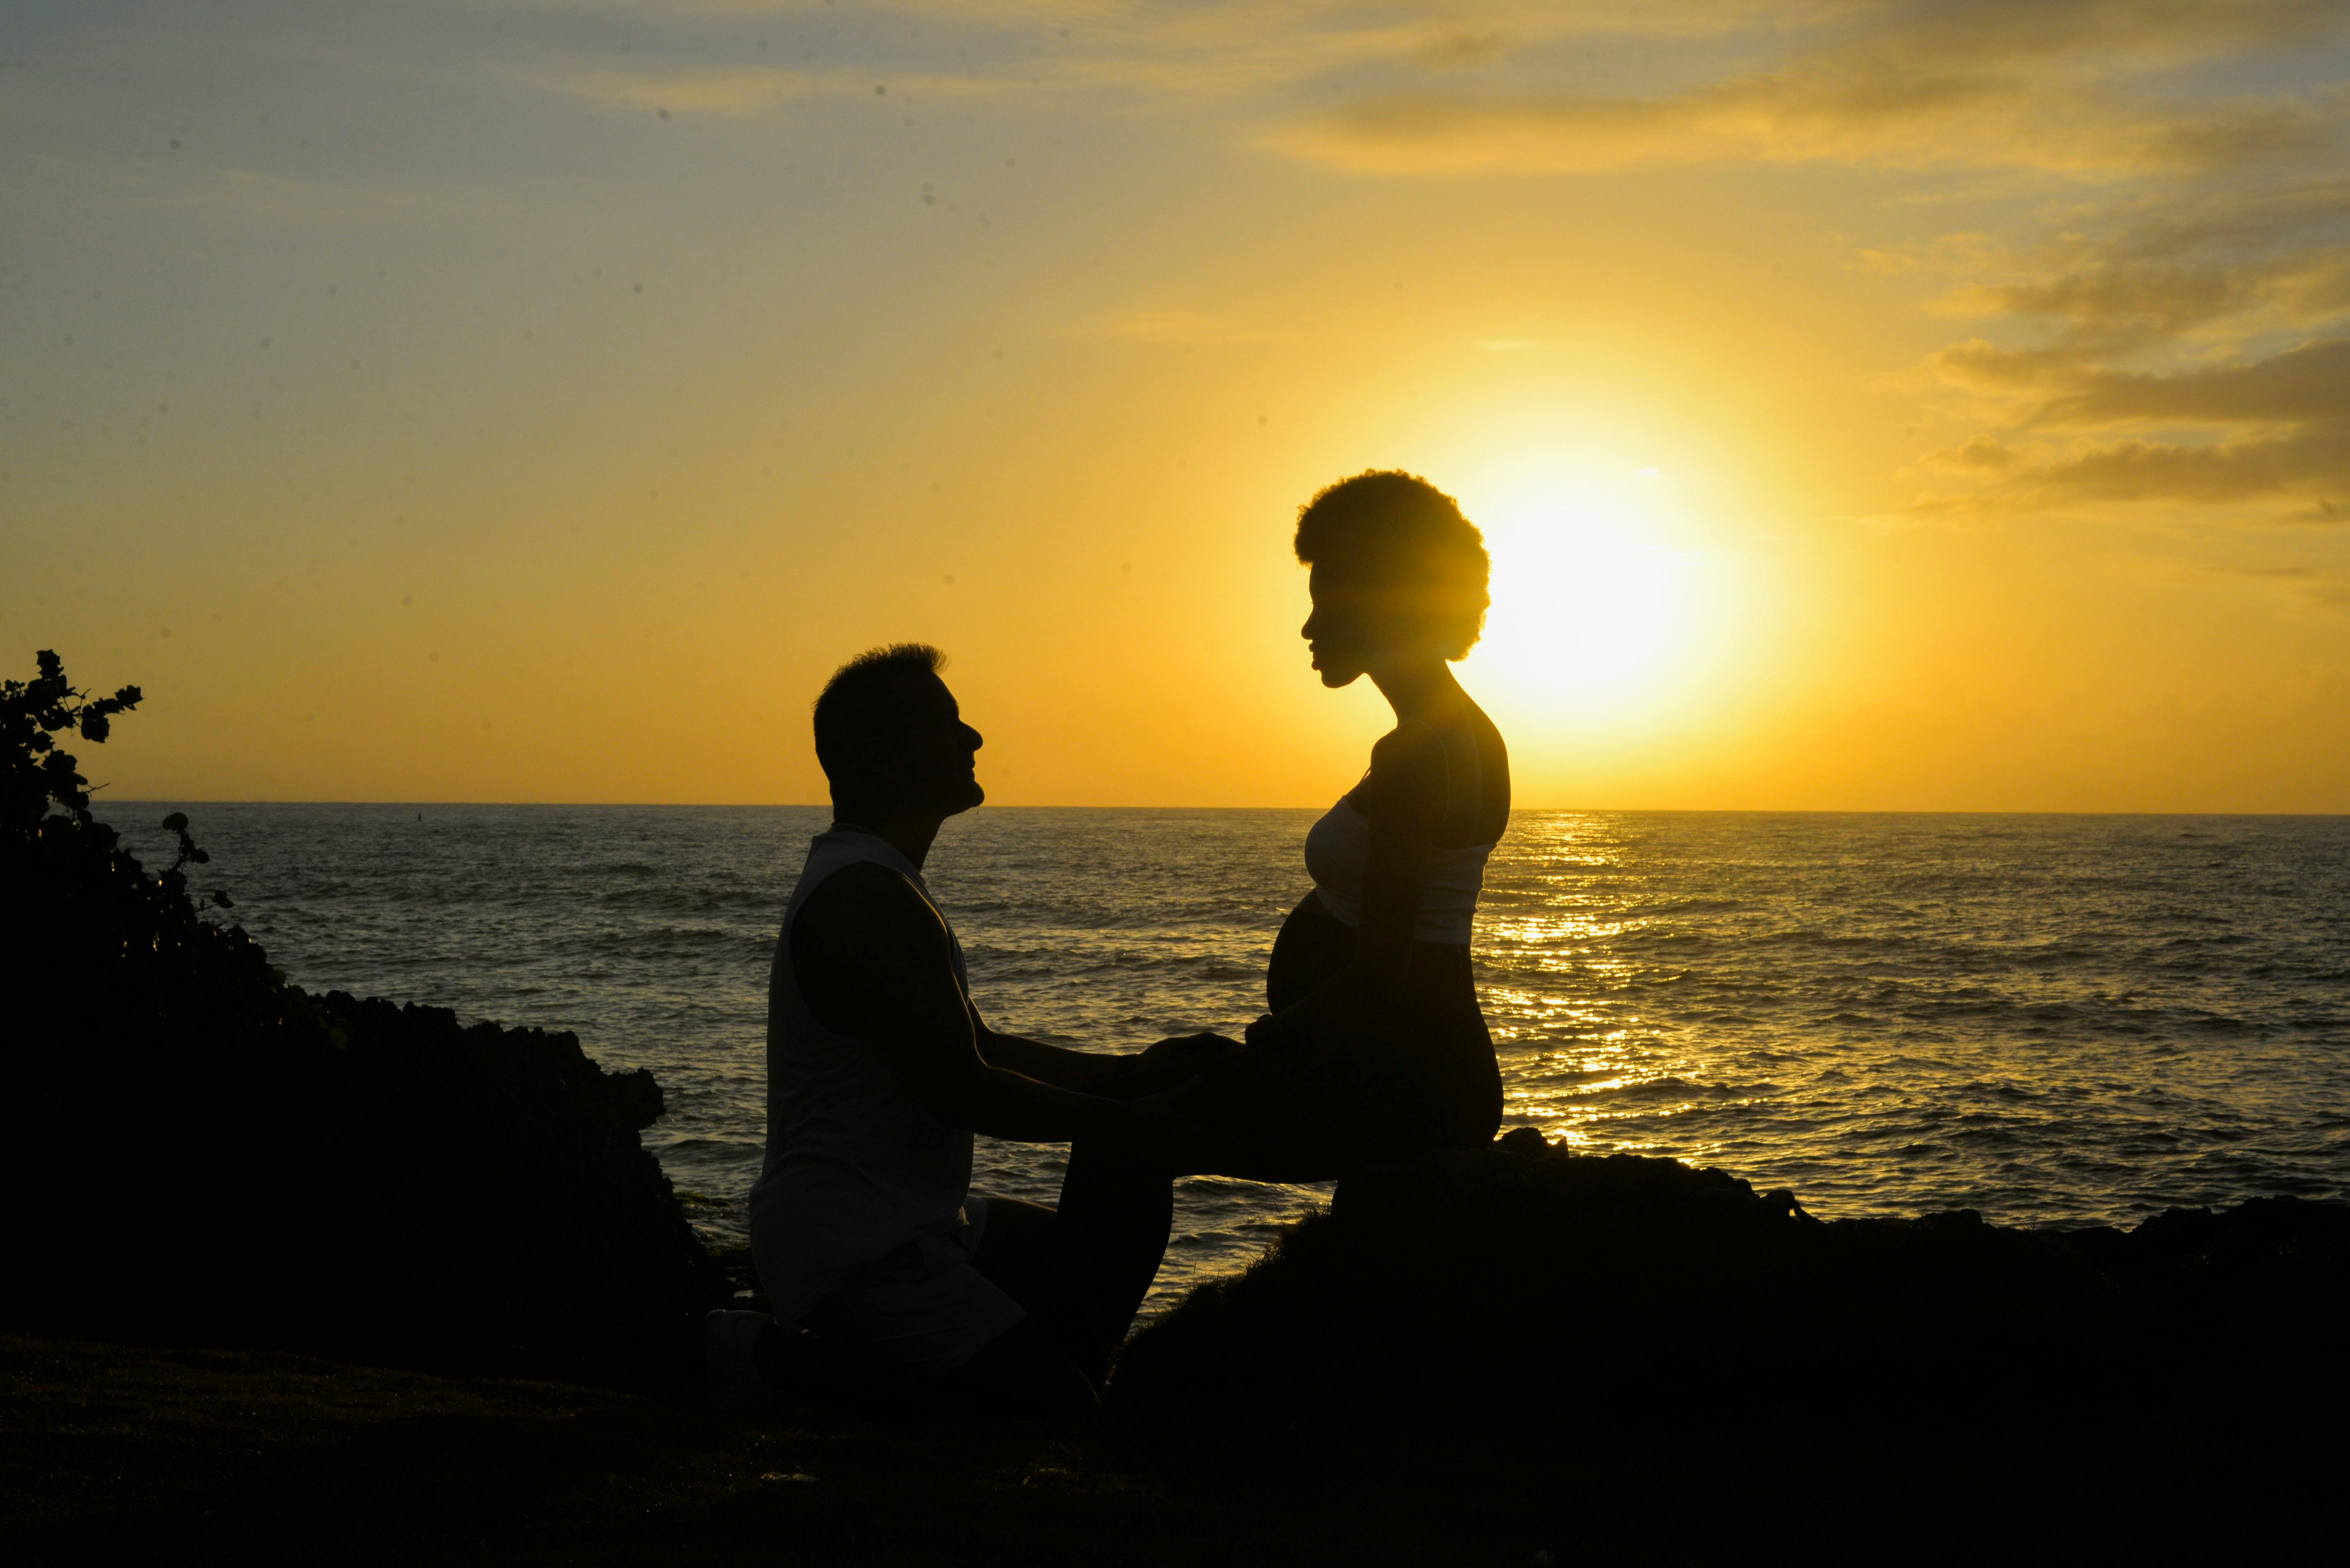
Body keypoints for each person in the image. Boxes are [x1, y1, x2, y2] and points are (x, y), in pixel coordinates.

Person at [1040, 469, 1510, 1337]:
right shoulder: (1447, 733)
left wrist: (1247, 1051)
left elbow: (1383, 978)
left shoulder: (1420, 750)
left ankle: (1065, 1375)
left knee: (1125, 1135)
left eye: (1323, 594)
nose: (1305, 624)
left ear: (1384, 596)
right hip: (1393, 1067)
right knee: (1145, 1092)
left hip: (1404, 1081)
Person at [704, 644, 1225, 1418]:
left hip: (909, 1221)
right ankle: (771, 1365)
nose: (974, 738)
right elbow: (961, 1090)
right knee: (1059, 1421)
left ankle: (1011, 1371)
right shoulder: (868, 900)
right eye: (947, 723)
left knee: (1084, 1274)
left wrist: (1127, 1073)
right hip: (855, 1249)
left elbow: (977, 1045)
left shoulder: (883, 882)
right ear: (885, 758)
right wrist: (1133, 1121)